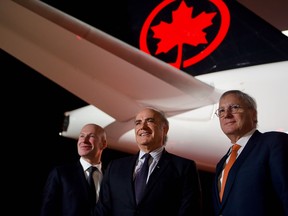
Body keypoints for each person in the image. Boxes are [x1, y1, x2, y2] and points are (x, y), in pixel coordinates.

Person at [95, 107, 202, 216]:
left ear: (164, 129)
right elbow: (102, 210)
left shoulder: (184, 167)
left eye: (150, 121)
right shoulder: (115, 167)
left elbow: (189, 211)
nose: (142, 127)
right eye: (138, 123)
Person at [212, 90, 288, 215]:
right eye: (221, 111)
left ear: (253, 114)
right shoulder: (222, 162)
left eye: (234, 107)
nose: (227, 115)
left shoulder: (274, 142)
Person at [40, 123, 107, 216]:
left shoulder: (110, 176)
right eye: (81, 136)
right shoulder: (60, 174)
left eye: (91, 136)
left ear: (103, 144)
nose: (84, 140)